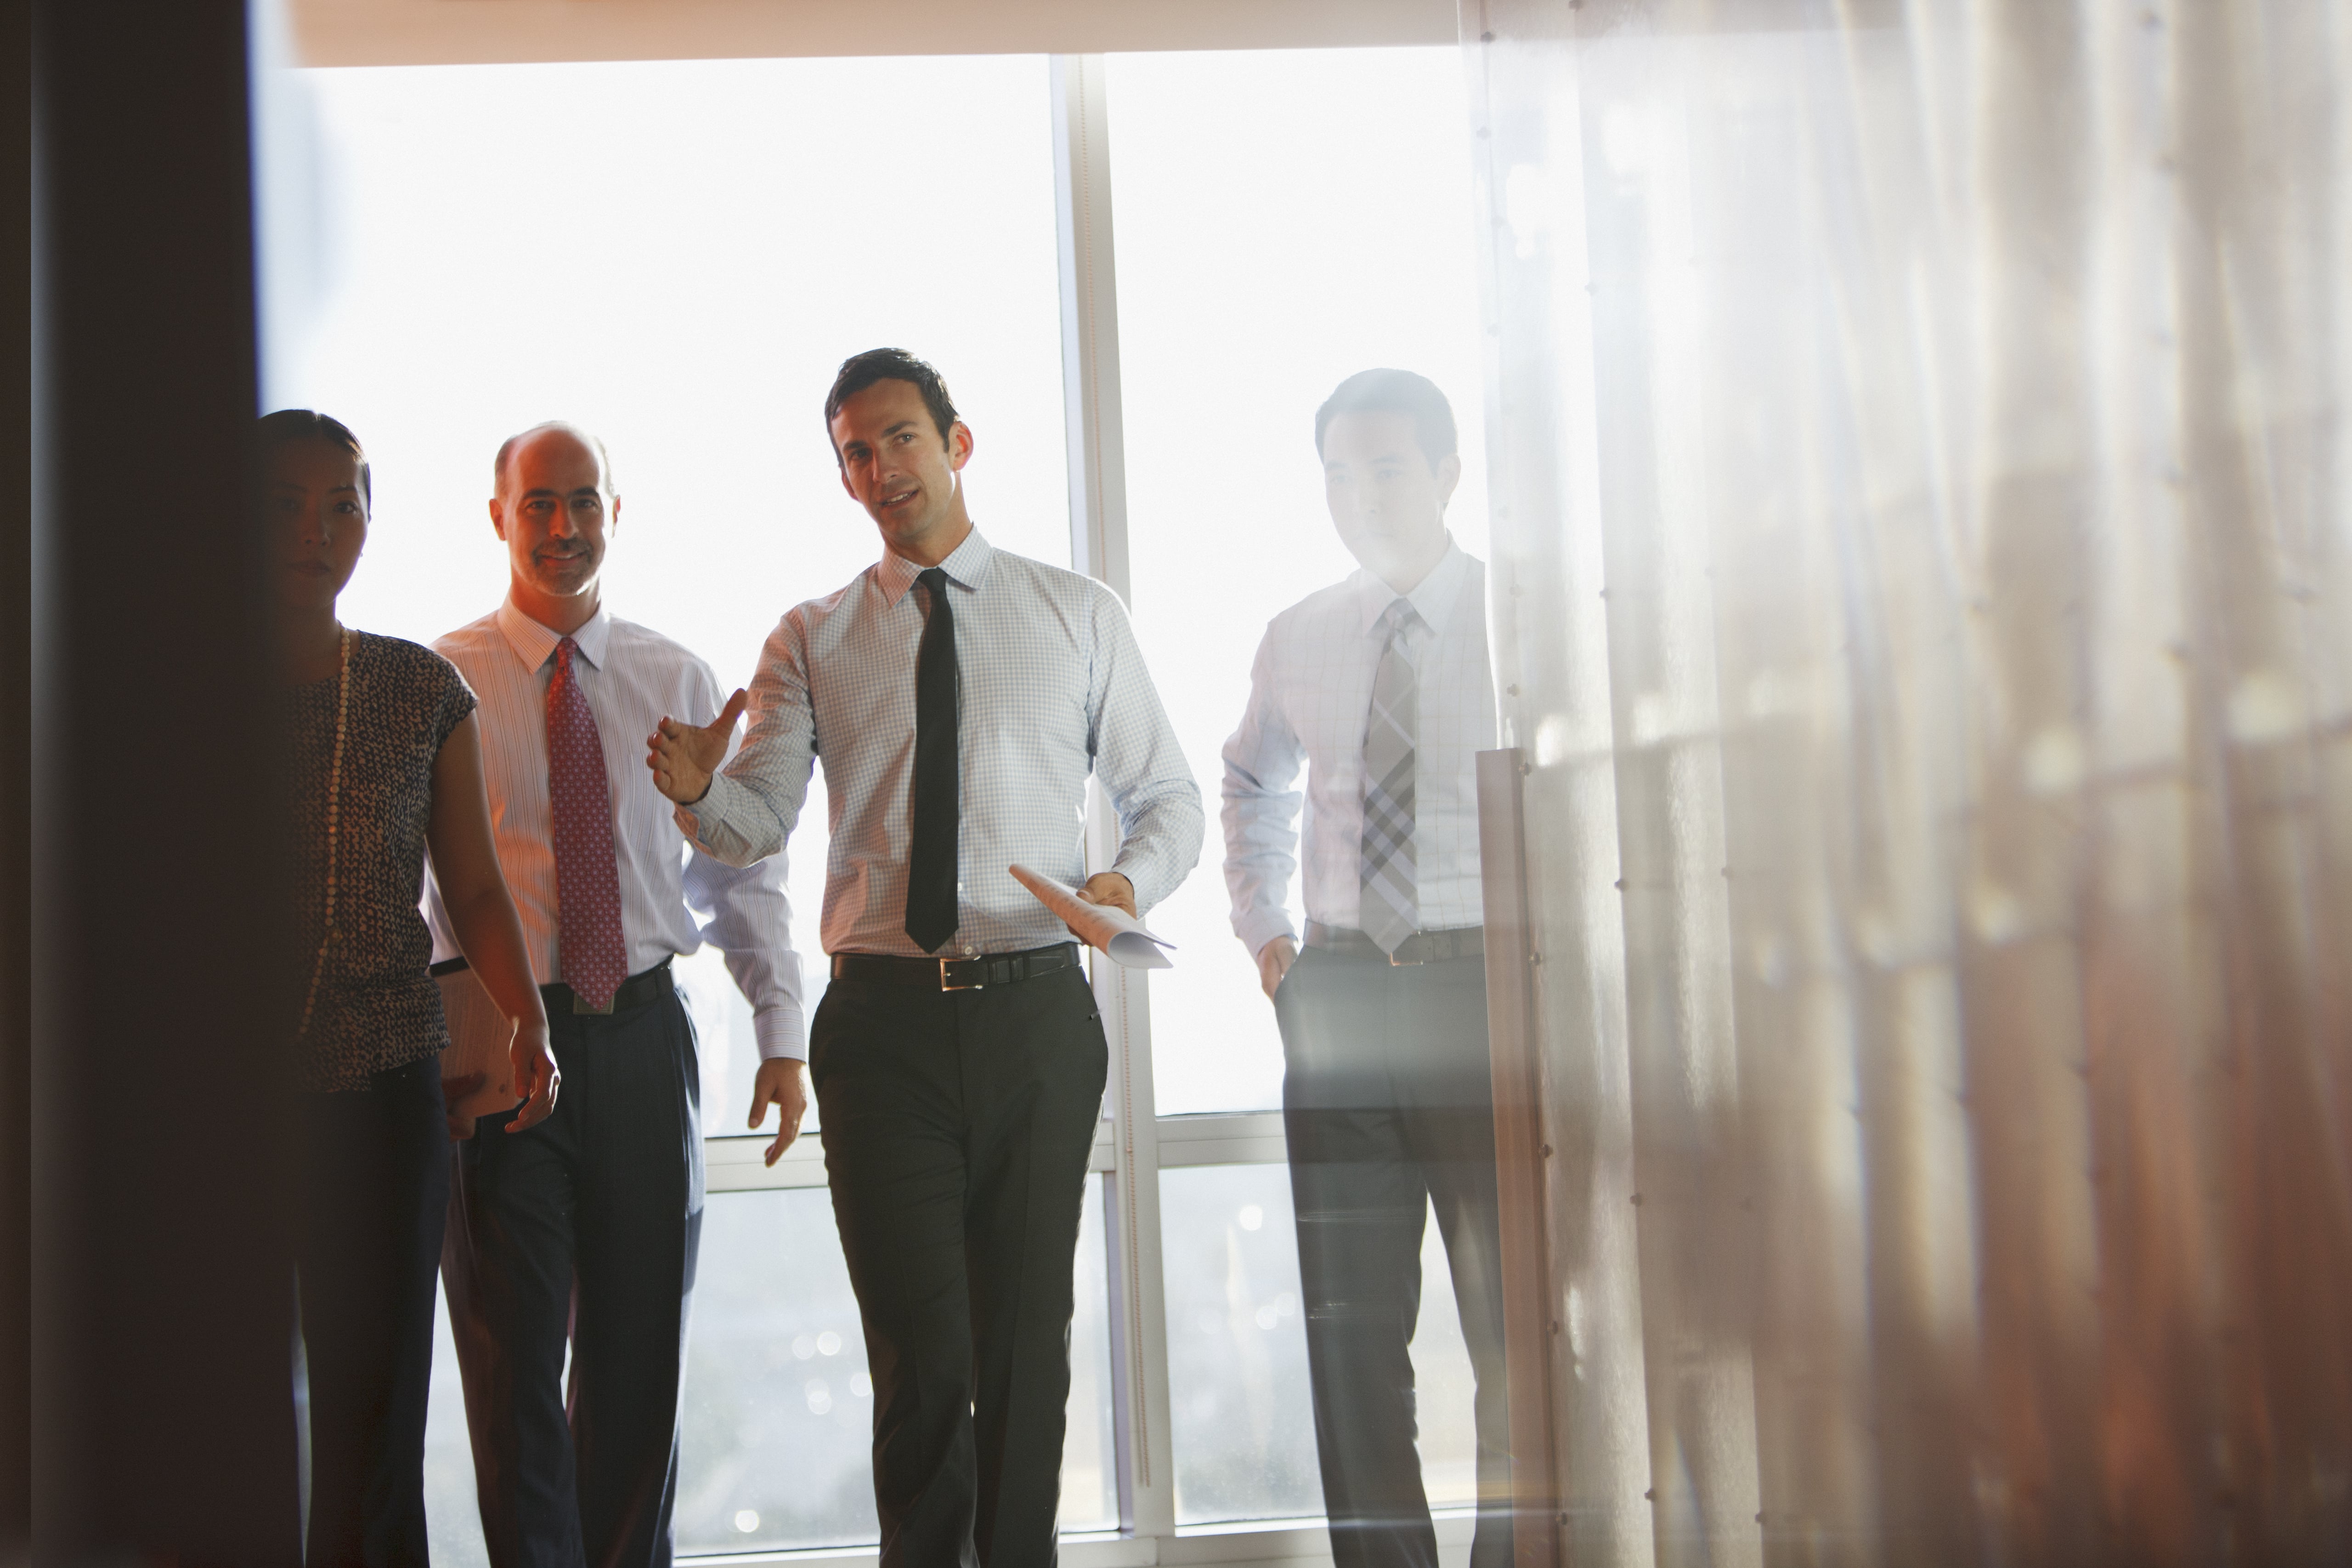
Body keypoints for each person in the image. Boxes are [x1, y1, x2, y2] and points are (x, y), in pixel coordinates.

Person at [646, 349, 1202, 1567]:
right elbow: (757, 823)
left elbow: (1170, 799)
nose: (880, 465)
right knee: (920, 1352)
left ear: (958, 442)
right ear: (842, 477)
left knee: (1021, 1349)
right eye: (855, 450)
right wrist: (698, 796)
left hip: (1035, 1015)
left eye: (900, 436)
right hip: (883, 1028)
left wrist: (1121, 884)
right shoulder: (814, 633)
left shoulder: (1075, 611)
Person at [427, 422, 805, 1568]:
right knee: (513, 1372)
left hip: (642, 1035)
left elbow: (741, 874)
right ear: (498, 516)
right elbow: (412, 885)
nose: (562, 525)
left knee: (640, 1366)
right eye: (538, 503)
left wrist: (782, 1034)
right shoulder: (440, 682)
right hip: (502, 1043)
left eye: (582, 501)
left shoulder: (675, 677)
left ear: (613, 513)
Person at [1220, 370, 1511, 1568]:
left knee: (1514, 1333)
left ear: (1448, 473)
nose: (1360, 493)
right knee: (1352, 1336)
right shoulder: (1302, 632)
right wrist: (1268, 928)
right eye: (1340, 470)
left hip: (1485, 993)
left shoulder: (1518, 619)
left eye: (1387, 466)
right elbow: (1250, 780)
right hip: (1339, 997)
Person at [267, 408, 558, 1567]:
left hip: (383, 1092)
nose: (317, 529)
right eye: (285, 502)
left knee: (374, 1421)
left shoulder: (412, 686)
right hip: (210, 1106)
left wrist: (525, 1011)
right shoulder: (163, 691)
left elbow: (476, 891)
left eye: (343, 503)